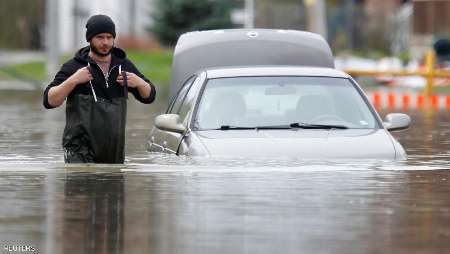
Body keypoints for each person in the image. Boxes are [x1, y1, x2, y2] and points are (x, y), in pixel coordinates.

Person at [43, 14, 156, 164]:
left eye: (109, 37)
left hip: (113, 151)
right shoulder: (74, 66)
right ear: (89, 39)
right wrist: (74, 80)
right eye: (100, 37)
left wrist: (140, 83)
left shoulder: (123, 65)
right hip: (79, 151)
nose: (105, 42)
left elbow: (149, 96)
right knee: (82, 183)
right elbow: (49, 100)